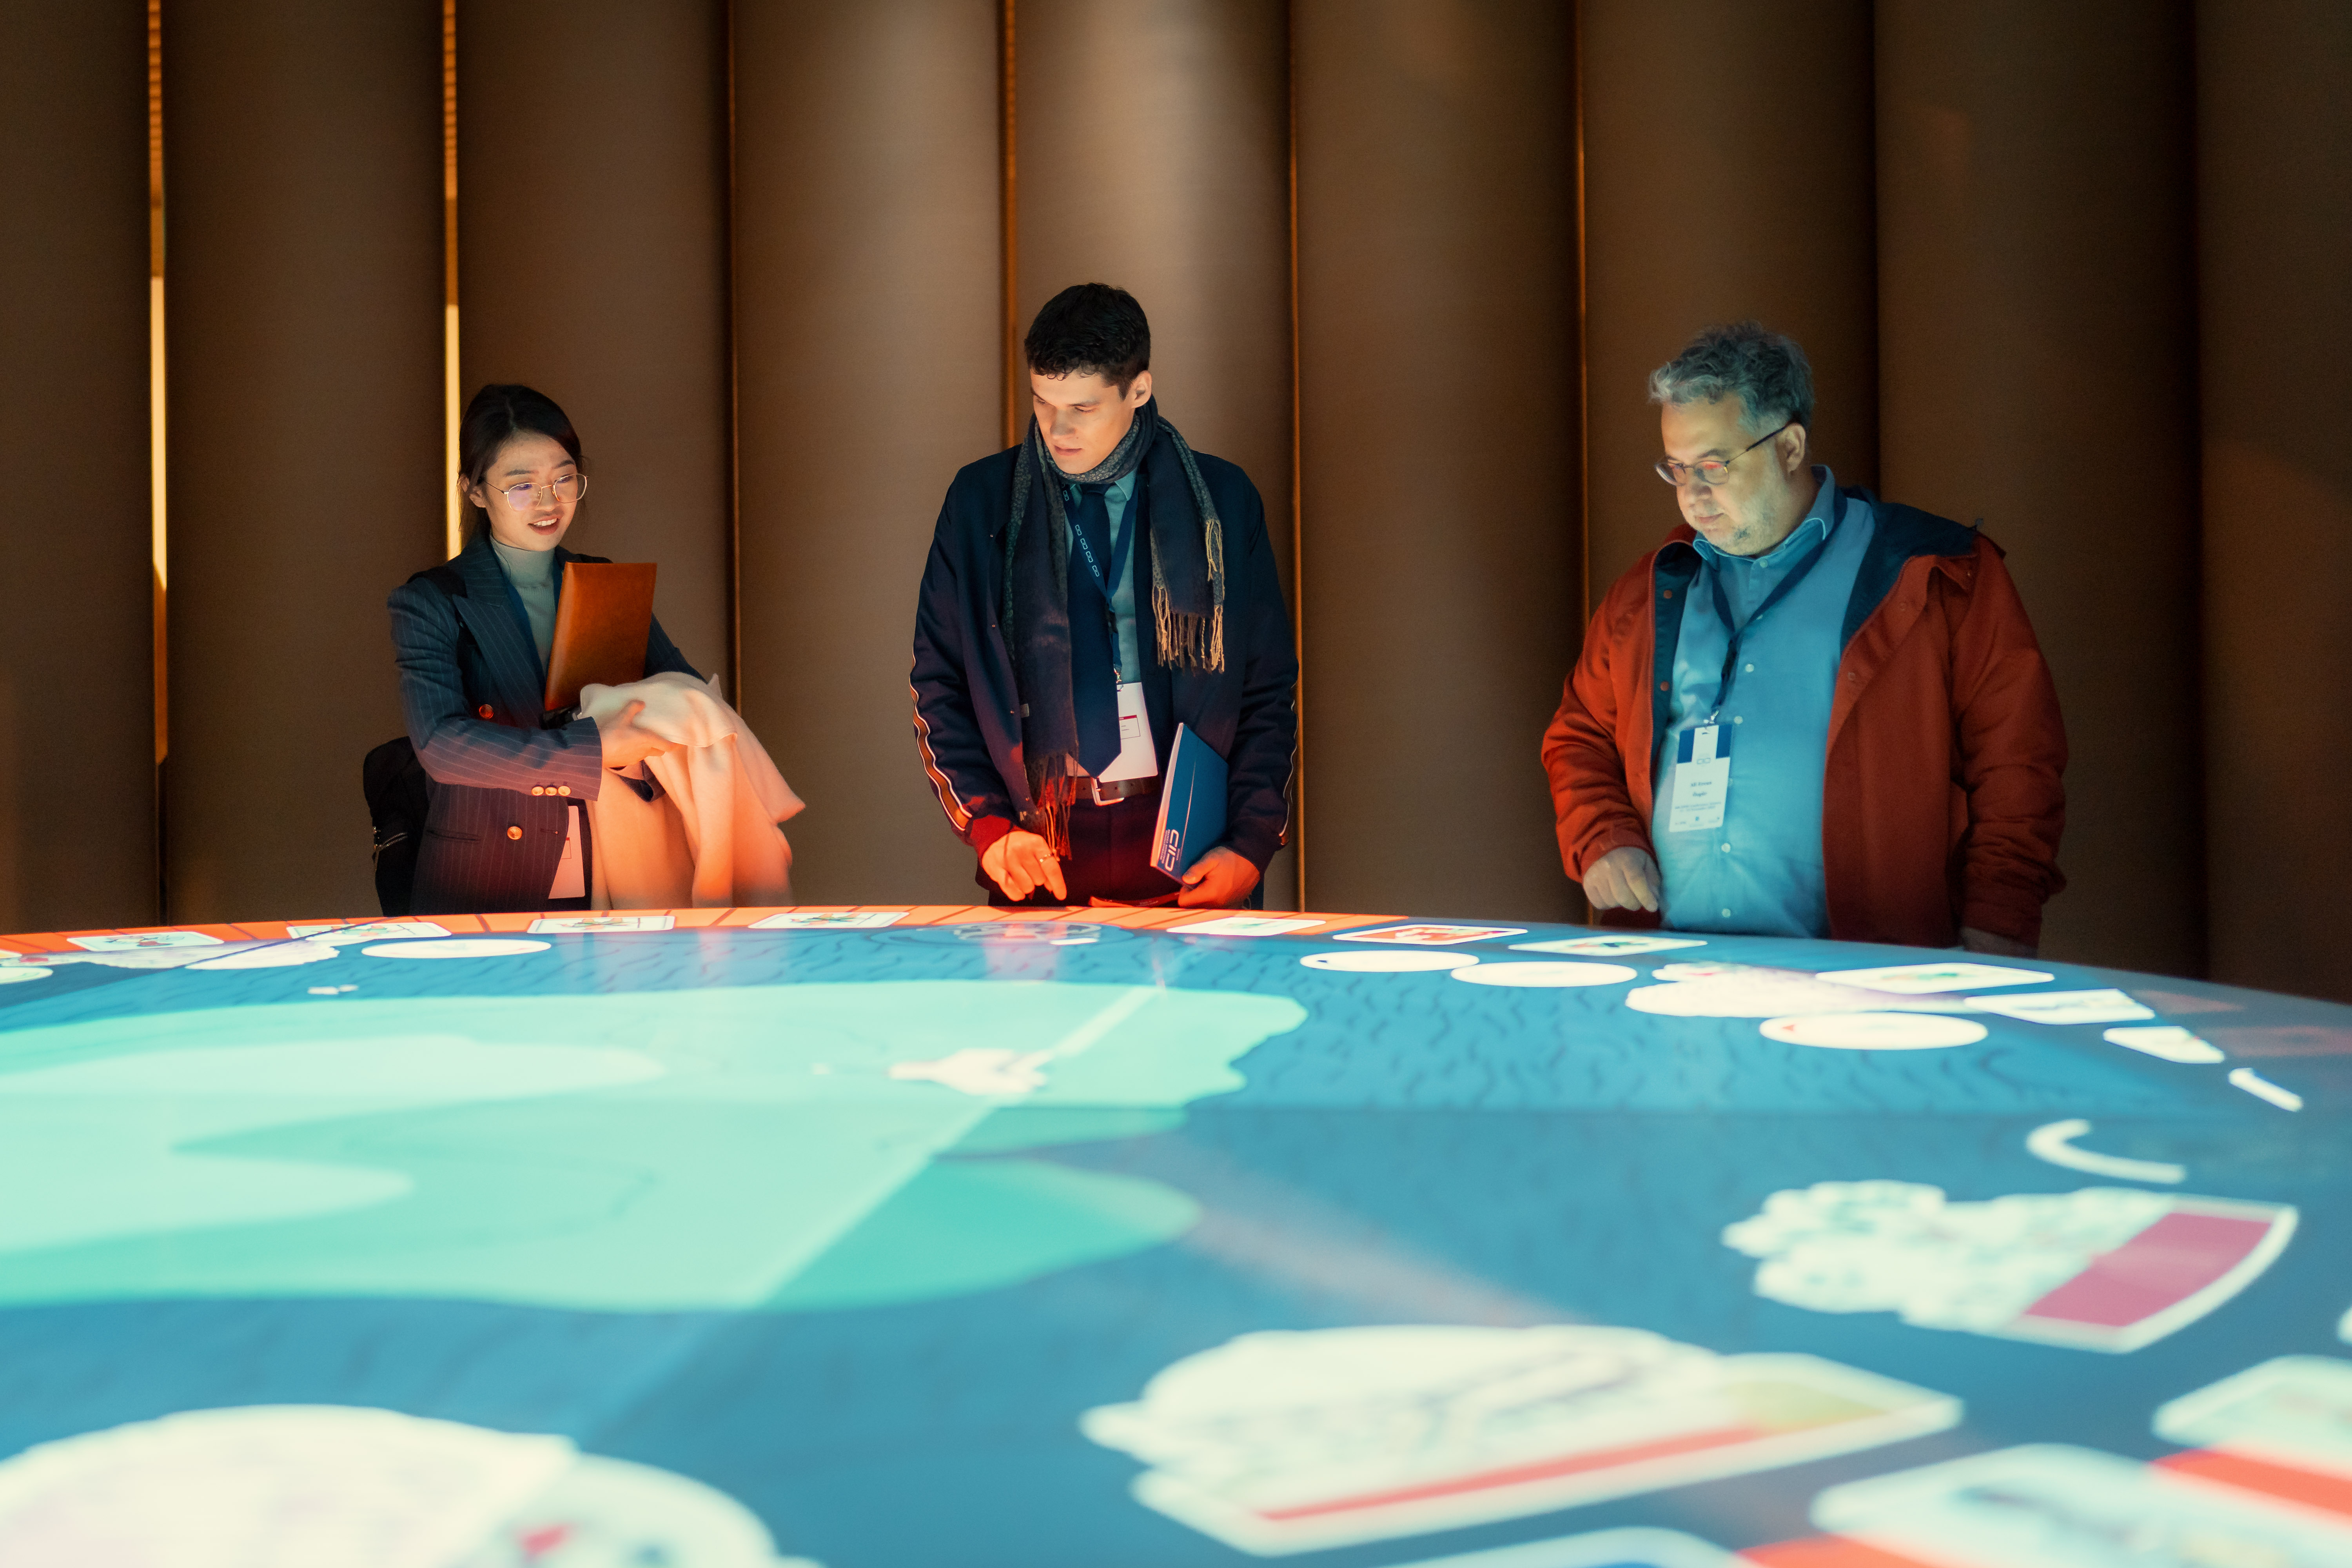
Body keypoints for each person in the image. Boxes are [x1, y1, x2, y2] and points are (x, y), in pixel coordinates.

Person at [1542, 323, 2066, 954]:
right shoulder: (1650, 590)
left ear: (1789, 448)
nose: (1692, 495)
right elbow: (1579, 736)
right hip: (1668, 972)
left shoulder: (1941, 574)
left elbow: (2017, 764)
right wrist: (1603, 836)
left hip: (1868, 979)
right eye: (1676, 469)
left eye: (1713, 465)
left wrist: (1997, 923)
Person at [911, 283, 1298, 907]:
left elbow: (1266, 687)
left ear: (1138, 390)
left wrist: (1250, 845)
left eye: (1083, 409)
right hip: (1044, 847)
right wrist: (988, 828)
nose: (1057, 430)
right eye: (1043, 404)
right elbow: (939, 683)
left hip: (1190, 848)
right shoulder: (980, 502)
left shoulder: (1222, 502)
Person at [387, 383, 699, 915]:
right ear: (475, 490)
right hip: (486, 875)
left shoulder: (602, 584)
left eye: (563, 479)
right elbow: (441, 744)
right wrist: (595, 751)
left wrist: (640, 751)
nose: (549, 501)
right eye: (521, 485)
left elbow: (687, 697)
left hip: (614, 865)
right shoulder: (433, 600)